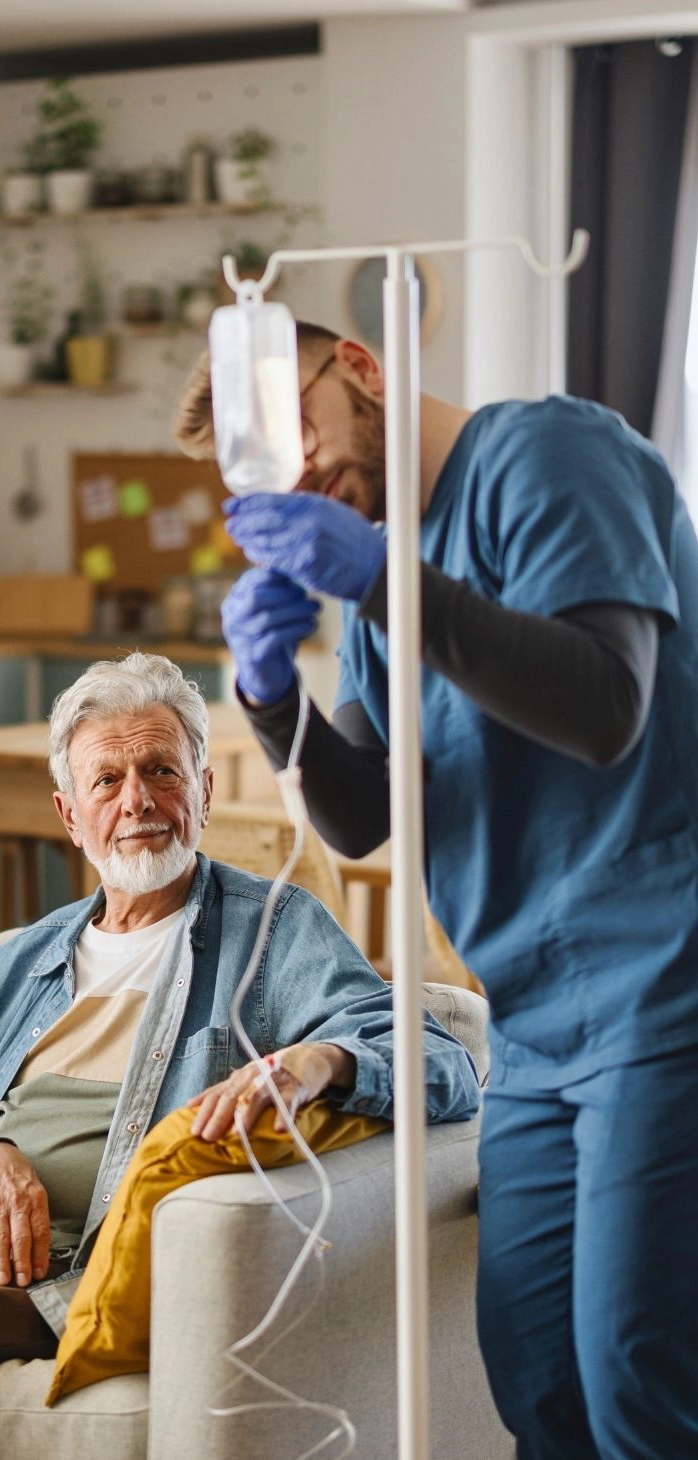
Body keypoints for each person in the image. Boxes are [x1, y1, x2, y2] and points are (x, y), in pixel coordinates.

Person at [0, 651, 479, 1460]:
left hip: (40, 1279)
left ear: (204, 792)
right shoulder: (21, 961)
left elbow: (444, 1062)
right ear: (71, 815)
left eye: (160, 771)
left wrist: (317, 1062)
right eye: (107, 781)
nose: (137, 800)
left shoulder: (270, 931)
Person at [175, 324, 698, 1460]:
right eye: (264, 469)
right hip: (536, 1019)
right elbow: (363, 809)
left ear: (360, 363)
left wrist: (382, 581)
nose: (299, 470)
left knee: (637, 1380)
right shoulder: (383, 569)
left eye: (297, 427)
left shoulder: (547, 457)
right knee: (534, 1378)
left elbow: (607, 704)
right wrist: (272, 700)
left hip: (666, 983)